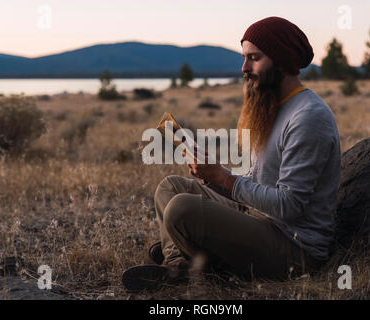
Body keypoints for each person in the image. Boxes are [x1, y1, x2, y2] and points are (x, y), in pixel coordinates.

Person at [122, 16, 341, 291]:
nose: (244, 68)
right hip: (260, 219)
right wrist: (213, 175)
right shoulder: (275, 108)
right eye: (244, 58)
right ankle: (179, 264)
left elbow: (290, 206)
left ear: (282, 61)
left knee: (182, 209)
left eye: (254, 58)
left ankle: (193, 260)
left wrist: (225, 178)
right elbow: (258, 180)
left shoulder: (308, 117)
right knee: (170, 187)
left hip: (294, 248)